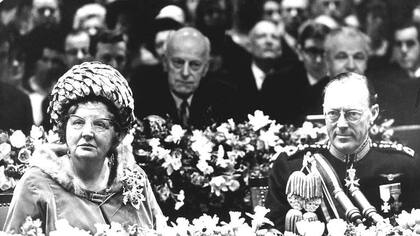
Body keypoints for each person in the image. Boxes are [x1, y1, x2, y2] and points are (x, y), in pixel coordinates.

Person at [4, 62, 164, 234]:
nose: (87, 133)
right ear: (64, 128)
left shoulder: (135, 179)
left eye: (100, 124)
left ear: (117, 134)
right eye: (78, 122)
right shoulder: (36, 183)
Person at [265, 72, 420, 232]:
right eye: (333, 114)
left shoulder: (405, 166)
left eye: (352, 114)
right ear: (324, 113)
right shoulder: (291, 167)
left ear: (373, 113)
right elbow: (272, 230)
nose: (341, 124)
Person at [134, 27, 236, 129]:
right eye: (178, 62)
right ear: (165, 63)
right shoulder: (141, 98)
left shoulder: (224, 99)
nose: (185, 73)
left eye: (194, 65)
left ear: (205, 68)